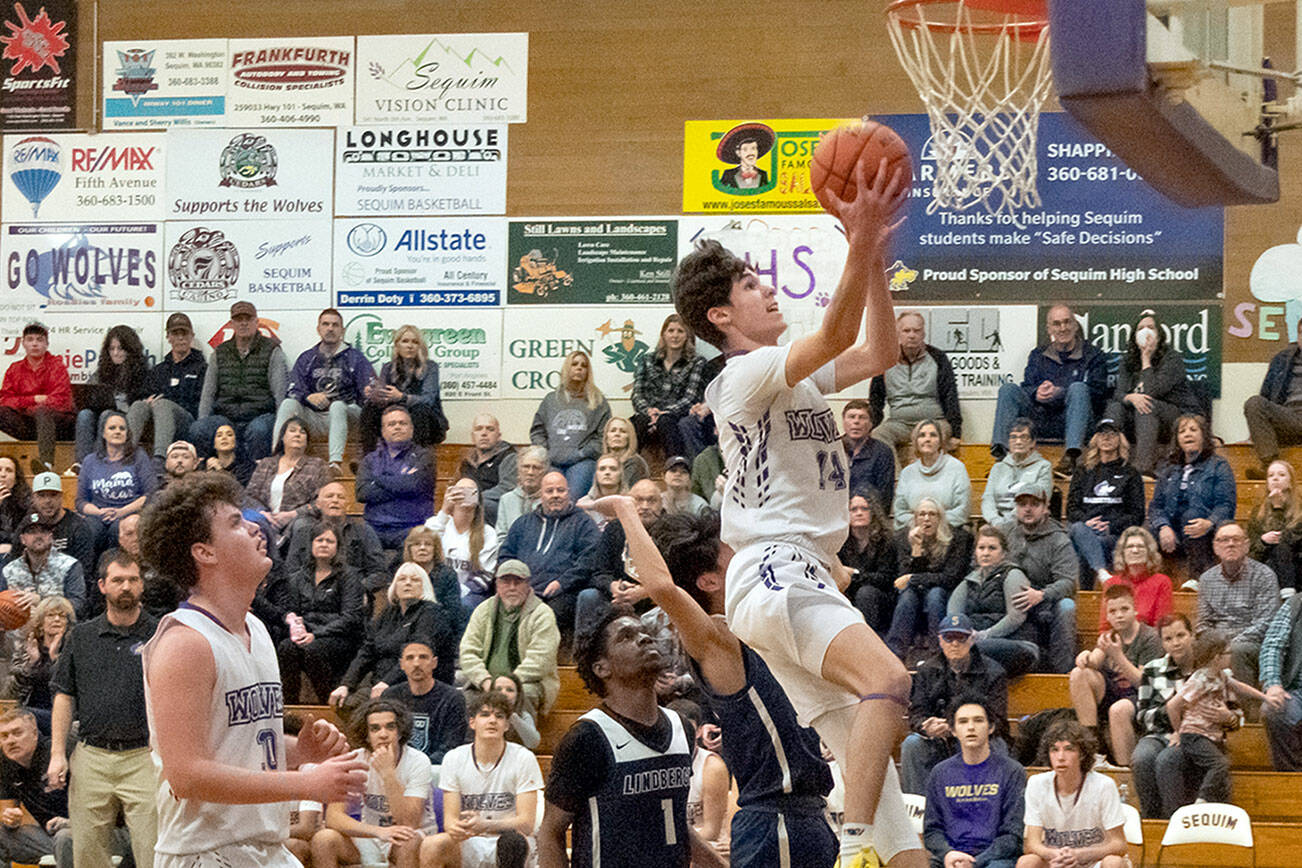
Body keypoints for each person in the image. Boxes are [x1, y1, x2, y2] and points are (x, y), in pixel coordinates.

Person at [672, 155, 922, 867]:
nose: (769, 289)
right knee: (889, 682)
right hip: (775, 569)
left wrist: (872, 256)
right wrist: (861, 240)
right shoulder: (741, 375)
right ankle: (852, 849)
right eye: (752, 284)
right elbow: (841, 334)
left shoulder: (795, 374)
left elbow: (874, 347)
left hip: (791, 579)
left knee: (892, 811)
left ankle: (879, 846)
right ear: (721, 315)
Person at [136, 472, 366, 868]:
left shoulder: (256, 628)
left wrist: (297, 752)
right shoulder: (185, 643)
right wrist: (306, 782)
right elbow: (187, 775)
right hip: (203, 853)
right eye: (236, 523)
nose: (255, 527)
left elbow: (238, 742)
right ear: (204, 552)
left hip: (265, 848)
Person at [593, 499, 838, 868]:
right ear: (709, 581)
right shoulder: (719, 639)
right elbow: (661, 586)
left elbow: (836, 573)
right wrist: (626, 510)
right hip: (777, 819)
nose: (750, 557)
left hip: (803, 820)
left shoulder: (762, 623)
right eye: (735, 555)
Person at [538, 608, 728, 868]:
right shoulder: (588, 737)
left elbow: (675, 825)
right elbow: (551, 833)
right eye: (626, 636)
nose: (644, 639)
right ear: (601, 668)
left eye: (644, 633)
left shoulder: (681, 727)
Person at [46, 551, 157, 868]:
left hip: (144, 756)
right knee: (87, 854)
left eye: (133, 580)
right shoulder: (81, 636)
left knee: (154, 851)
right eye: (118, 580)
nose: (126, 587)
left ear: (142, 586)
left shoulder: (161, 632)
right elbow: (64, 696)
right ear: (102, 586)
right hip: (92, 755)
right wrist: (57, 754)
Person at [419, 691, 543, 868]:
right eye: (485, 714)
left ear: (507, 725)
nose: (492, 720)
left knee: (514, 842)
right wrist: (460, 826)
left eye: (499, 716)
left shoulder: (523, 758)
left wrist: (485, 825)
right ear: (472, 722)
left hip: (509, 840)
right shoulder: (454, 758)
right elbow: (450, 821)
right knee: (432, 845)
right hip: (470, 840)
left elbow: (526, 823)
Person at [310, 699, 432, 868]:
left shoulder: (418, 761)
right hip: (372, 835)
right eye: (375, 729)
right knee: (324, 839)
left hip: (411, 836)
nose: (383, 734)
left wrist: (388, 774)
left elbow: (409, 822)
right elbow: (333, 817)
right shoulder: (356, 758)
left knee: (408, 840)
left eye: (390, 727)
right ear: (366, 735)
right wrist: (377, 831)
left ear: (400, 731)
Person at [1159, 629, 1268, 816]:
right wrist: (1178, 731)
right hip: (1195, 734)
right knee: (1219, 764)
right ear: (1217, 657)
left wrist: (1264, 697)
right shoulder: (1200, 679)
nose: (1231, 656)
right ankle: (1201, 801)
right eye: (1228, 653)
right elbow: (1172, 705)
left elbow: (1239, 688)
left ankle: (1214, 809)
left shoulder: (1221, 676)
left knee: (1220, 767)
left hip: (1212, 735)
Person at [991, 304, 1107, 478]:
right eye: (1057, 324)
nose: (1063, 328)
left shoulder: (1094, 355)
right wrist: (1036, 392)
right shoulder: (1038, 355)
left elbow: (1099, 395)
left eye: (1067, 322)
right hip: (1041, 419)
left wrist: (1061, 392)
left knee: (1078, 388)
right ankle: (1001, 455)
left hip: (1078, 424)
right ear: (1049, 328)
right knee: (1008, 389)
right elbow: (1027, 386)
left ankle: (1071, 457)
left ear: (1076, 325)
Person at [901, 615, 1009, 795]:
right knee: (912, 744)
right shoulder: (926, 671)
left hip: (977, 737)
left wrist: (956, 728)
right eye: (948, 638)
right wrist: (926, 727)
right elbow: (916, 714)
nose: (955, 644)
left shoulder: (994, 672)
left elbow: (999, 721)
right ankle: (920, 809)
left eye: (961, 637)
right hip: (938, 741)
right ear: (940, 641)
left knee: (997, 745)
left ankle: (989, 807)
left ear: (972, 640)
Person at [332, 563, 459, 706]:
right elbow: (367, 651)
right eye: (402, 579)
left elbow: (415, 656)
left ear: (425, 586)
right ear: (394, 586)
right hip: (380, 684)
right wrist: (346, 685)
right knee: (344, 703)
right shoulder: (388, 614)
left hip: (415, 684)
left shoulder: (432, 614)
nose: (408, 583)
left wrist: (386, 683)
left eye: (415, 580)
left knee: (376, 709)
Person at [922, 696, 1025, 868]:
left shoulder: (1011, 771)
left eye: (978, 720)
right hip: (950, 859)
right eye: (963, 722)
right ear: (953, 730)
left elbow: (1012, 835)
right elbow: (932, 831)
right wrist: (948, 854)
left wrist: (975, 862)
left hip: (994, 859)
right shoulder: (940, 773)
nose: (971, 727)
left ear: (990, 727)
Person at [497, 471, 601, 639]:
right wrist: (516, 583)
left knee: (546, 616)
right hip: (522, 589)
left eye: (560, 490)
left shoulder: (583, 523)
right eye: (549, 491)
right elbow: (505, 557)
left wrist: (562, 583)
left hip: (563, 592)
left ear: (569, 492)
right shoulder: (523, 523)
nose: (555, 495)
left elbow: (589, 560)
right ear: (541, 494)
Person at [271, 521, 365, 704]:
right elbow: (294, 611)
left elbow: (351, 617)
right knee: (286, 647)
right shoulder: (298, 577)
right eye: (319, 540)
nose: (323, 544)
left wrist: (316, 634)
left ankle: (327, 703)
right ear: (311, 544)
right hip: (308, 634)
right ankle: (291, 706)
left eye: (329, 541)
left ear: (337, 546)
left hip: (340, 637)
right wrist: (296, 626)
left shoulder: (349, 576)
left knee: (313, 650)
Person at [1111, 613, 1194, 818]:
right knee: (1141, 757)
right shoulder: (1153, 669)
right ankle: (1150, 820)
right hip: (1158, 734)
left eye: (1181, 635)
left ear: (1191, 635)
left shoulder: (1204, 668)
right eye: (1168, 639)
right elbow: (1144, 715)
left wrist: (1182, 726)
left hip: (1196, 735)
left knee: (1167, 760)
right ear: (1162, 643)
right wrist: (1170, 711)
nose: (1176, 643)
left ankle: (1172, 821)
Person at [1015, 720, 1128, 868]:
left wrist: (1081, 855)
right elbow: (1032, 844)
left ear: (1082, 754)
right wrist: (1054, 855)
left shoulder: (1103, 785)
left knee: (1114, 863)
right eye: (1054, 750)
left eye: (1069, 749)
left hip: (1094, 860)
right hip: (1056, 860)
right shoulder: (1036, 783)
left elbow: (1119, 844)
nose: (1061, 757)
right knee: (1027, 862)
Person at [275, 308, 375, 473]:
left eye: (335, 325)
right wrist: (308, 397)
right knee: (288, 404)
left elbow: (368, 392)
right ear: (318, 329)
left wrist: (364, 393)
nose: (330, 328)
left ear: (342, 331)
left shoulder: (356, 358)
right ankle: (277, 456)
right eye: (326, 324)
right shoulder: (307, 358)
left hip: (348, 417)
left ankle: (335, 463)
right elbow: (293, 389)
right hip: (317, 418)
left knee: (337, 406)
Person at [459, 559, 561, 721]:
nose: (512, 587)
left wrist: (509, 684)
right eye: (506, 582)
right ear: (497, 585)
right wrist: (485, 680)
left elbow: (541, 660)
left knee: (522, 695)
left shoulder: (542, 614)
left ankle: (519, 744)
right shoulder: (483, 610)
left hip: (526, 682)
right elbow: (468, 652)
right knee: (462, 698)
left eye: (518, 582)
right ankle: (474, 745)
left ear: (528, 584)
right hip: (487, 683)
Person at [1104, 310, 1200, 477]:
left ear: (1159, 334)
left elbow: (1152, 391)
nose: (1145, 332)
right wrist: (1130, 397)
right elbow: (1118, 393)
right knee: (1115, 407)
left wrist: (1146, 359)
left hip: (1173, 417)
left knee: (1146, 405)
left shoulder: (1172, 359)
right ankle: (1105, 463)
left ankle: (1142, 468)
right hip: (1139, 420)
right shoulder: (1127, 360)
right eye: (1141, 328)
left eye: (1150, 328)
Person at [192, 301, 289, 463]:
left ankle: (256, 479)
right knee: (198, 429)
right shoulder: (220, 352)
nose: (243, 323)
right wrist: (203, 419)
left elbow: (279, 393)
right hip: (225, 416)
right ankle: (208, 474)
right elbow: (208, 394)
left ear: (256, 322)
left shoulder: (272, 349)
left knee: (258, 430)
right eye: (238, 319)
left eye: (248, 318)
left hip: (261, 415)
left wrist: (281, 429)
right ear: (231, 324)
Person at [571, 479, 664, 637]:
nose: (645, 506)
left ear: (661, 503)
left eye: (652, 500)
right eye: (639, 500)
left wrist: (644, 592)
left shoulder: (672, 529)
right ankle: (586, 656)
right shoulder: (614, 529)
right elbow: (599, 573)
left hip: (658, 599)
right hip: (617, 598)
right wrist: (612, 586)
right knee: (588, 596)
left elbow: (679, 579)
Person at [1005, 481, 1079, 674]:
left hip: (1045, 602)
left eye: (1034, 504)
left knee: (1067, 606)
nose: (1028, 509)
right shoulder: (1005, 533)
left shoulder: (1059, 539)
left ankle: (1062, 674)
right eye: (1023, 505)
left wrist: (1041, 594)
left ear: (1045, 508)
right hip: (1010, 598)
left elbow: (1068, 582)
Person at [1147, 413, 1234, 577]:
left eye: (1193, 430)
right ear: (1177, 439)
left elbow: (1226, 505)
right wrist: (1164, 526)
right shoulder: (1168, 468)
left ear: (1203, 435)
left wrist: (1209, 522)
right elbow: (1156, 506)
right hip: (1172, 530)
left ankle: (1197, 577)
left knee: (1192, 515)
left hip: (1204, 530)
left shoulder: (1219, 466)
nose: (1187, 434)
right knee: (1141, 533)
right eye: (1182, 431)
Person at [885, 498, 973, 660]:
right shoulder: (903, 538)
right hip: (915, 593)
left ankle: (938, 653)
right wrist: (916, 548)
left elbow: (949, 578)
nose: (926, 519)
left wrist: (913, 578)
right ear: (915, 519)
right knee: (907, 597)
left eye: (932, 514)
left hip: (945, 592)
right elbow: (901, 581)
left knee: (935, 594)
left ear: (940, 519)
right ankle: (894, 654)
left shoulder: (956, 539)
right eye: (922, 514)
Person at [1068, 584, 1161, 736]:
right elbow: (1093, 661)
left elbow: (1144, 683)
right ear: (1108, 616)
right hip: (1113, 693)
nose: (1119, 615)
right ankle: (1090, 739)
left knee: (1118, 709)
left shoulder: (1150, 637)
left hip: (1140, 697)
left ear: (1135, 610)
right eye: (1113, 611)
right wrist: (1084, 656)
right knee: (1079, 673)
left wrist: (1118, 656)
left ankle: (1124, 761)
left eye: (1124, 609)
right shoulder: (1108, 636)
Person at [1195, 522, 1279, 690]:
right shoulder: (1206, 579)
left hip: (1253, 643)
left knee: (1238, 650)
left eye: (1236, 539)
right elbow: (1203, 623)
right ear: (1215, 547)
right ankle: (1196, 708)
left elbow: (1266, 623)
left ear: (1247, 545)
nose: (1231, 544)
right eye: (1224, 540)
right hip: (1218, 643)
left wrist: (1228, 644)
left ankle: (1245, 712)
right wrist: (1218, 644)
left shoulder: (1264, 576)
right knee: (1186, 645)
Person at [947, 525, 1040, 678]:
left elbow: (1016, 617)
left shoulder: (1013, 574)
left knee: (973, 649)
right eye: (981, 548)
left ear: (1003, 553)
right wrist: (964, 634)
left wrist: (984, 635)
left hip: (1017, 644)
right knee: (959, 649)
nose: (985, 553)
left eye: (992, 548)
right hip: (975, 642)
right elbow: (953, 616)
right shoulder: (969, 580)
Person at [869, 311, 963, 461]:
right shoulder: (885, 359)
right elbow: (876, 399)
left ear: (923, 333)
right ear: (898, 333)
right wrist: (870, 428)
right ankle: (897, 481)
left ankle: (917, 482)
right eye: (906, 331)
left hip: (934, 421)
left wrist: (956, 432)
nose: (912, 335)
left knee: (924, 441)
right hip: (899, 423)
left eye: (916, 330)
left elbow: (950, 395)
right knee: (877, 436)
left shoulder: (938, 358)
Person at [1066, 418, 1146, 588]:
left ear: (1120, 438)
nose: (1106, 438)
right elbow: (1071, 509)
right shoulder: (1083, 471)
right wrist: (1087, 521)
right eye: (1102, 433)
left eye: (1112, 433)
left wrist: (1111, 525)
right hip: (1085, 528)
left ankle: (1087, 592)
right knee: (1080, 530)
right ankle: (1102, 573)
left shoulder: (1130, 473)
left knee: (1090, 545)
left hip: (1113, 534)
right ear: (1095, 438)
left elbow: (1137, 514)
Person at [285, 481, 389, 598]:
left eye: (341, 497)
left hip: (353, 598)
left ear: (348, 505)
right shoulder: (303, 532)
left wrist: (356, 590)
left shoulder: (364, 531)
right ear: (318, 504)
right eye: (329, 496)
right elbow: (291, 571)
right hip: (311, 598)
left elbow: (379, 573)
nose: (335, 500)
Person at [529, 349, 611, 497]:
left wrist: (581, 453)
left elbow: (603, 437)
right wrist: (546, 452)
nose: (579, 368)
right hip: (552, 462)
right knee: (550, 496)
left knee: (571, 498)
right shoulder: (551, 400)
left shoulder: (598, 401)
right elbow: (537, 431)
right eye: (574, 364)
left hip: (583, 462)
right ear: (567, 368)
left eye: (584, 365)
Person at [127, 312, 206, 465]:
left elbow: (199, 403)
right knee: (139, 405)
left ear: (192, 336)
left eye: (184, 333)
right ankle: (123, 455)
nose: (181, 338)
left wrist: (166, 398)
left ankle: (159, 459)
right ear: (168, 337)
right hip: (158, 422)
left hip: (187, 421)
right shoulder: (159, 370)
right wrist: (147, 400)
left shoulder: (202, 368)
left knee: (162, 404)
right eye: (176, 333)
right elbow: (145, 393)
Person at [359, 323, 448, 455]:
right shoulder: (388, 368)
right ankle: (367, 457)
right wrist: (374, 394)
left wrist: (402, 397)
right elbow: (383, 398)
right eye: (405, 341)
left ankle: (417, 458)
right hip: (398, 419)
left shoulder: (430, 367)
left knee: (420, 409)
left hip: (428, 423)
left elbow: (428, 400)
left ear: (420, 346)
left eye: (415, 342)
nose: (410, 346)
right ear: (397, 345)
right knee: (370, 407)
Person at [76, 412, 156, 558]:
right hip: (98, 514)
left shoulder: (139, 456)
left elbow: (150, 494)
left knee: (117, 529)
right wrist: (99, 512)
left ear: (127, 434)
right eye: (112, 428)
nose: (118, 431)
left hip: (129, 512)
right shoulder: (90, 461)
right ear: (103, 434)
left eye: (122, 428)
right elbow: (81, 502)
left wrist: (122, 512)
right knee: (90, 530)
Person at [356, 405, 436, 550]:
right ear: (383, 431)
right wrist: (400, 482)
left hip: (412, 527)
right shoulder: (370, 459)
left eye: (402, 423)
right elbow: (362, 493)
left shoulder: (424, 456)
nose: (397, 427)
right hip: (374, 527)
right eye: (391, 424)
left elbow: (413, 486)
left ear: (411, 429)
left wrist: (378, 479)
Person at [0, 707, 71, 868]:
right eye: (4, 736)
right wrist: (10, 818)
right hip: (48, 837)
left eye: (17, 733)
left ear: (34, 733)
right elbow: (7, 812)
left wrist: (71, 823)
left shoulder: (57, 753)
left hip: (82, 832)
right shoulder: (5, 762)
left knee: (64, 838)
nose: (10, 740)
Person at [631, 313, 709, 459]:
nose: (675, 336)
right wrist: (649, 412)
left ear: (688, 336)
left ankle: (676, 467)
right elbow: (637, 393)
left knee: (666, 422)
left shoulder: (697, 362)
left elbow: (691, 397)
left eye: (680, 331)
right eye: (671, 331)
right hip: (647, 413)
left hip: (676, 416)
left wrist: (664, 413)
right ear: (663, 335)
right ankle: (625, 471)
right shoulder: (647, 360)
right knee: (634, 423)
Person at [0, 323, 74, 474]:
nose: (34, 343)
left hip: (57, 423)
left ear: (46, 344)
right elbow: (5, 399)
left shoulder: (57, 366)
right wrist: (33, 400)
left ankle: (46, 465)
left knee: (43, 411)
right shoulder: (15, 369)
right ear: (23, 343)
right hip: (28, 424)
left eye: (39, 340)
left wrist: (31, 406)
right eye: (30, 339)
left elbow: (60, 400)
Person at [245, 416, 331, 546]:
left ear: (307, 440)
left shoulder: (318, 465)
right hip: (266, 519)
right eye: (292, 430)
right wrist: (263, 514)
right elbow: (249, 496)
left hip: (299, 521)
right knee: (248, 519)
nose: (298, 434)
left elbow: (322, 502)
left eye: (302, 432)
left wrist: (292, 514)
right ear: (282, 437)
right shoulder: (266, 463)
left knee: (301, 525)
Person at [380, 641, 467, 768]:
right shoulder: (390, 696)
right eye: (410, 658)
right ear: (401, 664)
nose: (416, 663)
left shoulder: (453, 698)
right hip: (398, 767)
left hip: (437, 769)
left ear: (434, 662)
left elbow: (451, 747)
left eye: (423, 657)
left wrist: (418, 767)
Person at [74, 325, 150, 468]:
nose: (115, 353)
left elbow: (140, 401)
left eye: (120, 348)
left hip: (124, 417)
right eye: (112, 349)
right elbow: (88, 392)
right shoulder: (103, 370)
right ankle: (81, 464)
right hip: (100, 412)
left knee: (107, 415)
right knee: (85, 414)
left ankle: (99, 463)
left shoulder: (142, 372)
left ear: (130, 349)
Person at [425, 477, 499, 612]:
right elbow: (424, 548)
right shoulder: (436, 523)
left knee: (463, 605)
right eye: (459, 491)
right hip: (435, 587)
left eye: (471, 491)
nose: (465, 494)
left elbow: (484, 577)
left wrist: (454, 593)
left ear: (478, 500)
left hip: (470, 593)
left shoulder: (488, 534)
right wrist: (444, 511)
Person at [1243, 315, 1302, 479]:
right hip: (1289, 418)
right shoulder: (1282, 360)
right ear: (1298, 337)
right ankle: (1271, 468)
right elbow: (1266, 396)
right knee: (1254, 403)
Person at [0, 514, 85, 616]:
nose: (38, 536)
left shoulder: (69, 565)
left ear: (50, 537)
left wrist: (42, 602)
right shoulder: (9, 570)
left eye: (43, 531)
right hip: (18, 630)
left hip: (57, 629)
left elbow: (78, 604)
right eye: (32, 532)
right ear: (23, 539)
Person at [893, 419, 971, 530]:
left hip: (948, 530)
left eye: (933, 435)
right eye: (922, 435)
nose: (927, 439)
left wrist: (933, 525)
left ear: (940, 442)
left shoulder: (957, 468)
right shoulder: (907, 472)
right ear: (916, 441)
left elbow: (963, 510)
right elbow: (900, 511)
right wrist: (921, 525)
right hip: (914, 530)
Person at [10, 595, 74, 726]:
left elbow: (71, 688)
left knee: (23, 717)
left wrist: (55, 658)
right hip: (28, 711)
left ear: (68, 623)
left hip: (62, 715)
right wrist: (30, 665)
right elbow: (10, 693)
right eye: (50, 615)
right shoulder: (27, 648)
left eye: (62, 616)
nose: (57, 619)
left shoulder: (75, 650)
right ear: (40, 622)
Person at [841, 491, 900, 634]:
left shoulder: (886, 540)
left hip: (881, 599)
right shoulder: (841, 541)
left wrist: (854, 574)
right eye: (853, 509)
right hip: (852, 594)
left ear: (873, 512)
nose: (859, 513)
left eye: (864, 509)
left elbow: (885, 579)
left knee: (866, 593)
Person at [981, 417, 1052, 535]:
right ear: (1008, 441)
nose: (1018, 442)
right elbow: (988, 499)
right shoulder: (998, 468)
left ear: (1032, 442)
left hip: (1028, 522)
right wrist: (995, 520)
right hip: (997, 523)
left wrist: (1008, 523)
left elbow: (1040, 499)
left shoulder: (1043, 467)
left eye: (1023, 437)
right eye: (1014, 437)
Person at [1258, 590, 1302, 770]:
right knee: (1274, 709)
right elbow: (1272, 645)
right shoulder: (1295, 605)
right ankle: (1292, 780)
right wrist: (1273, 684)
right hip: (1298, 693)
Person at [1097, 527, 1173, 630]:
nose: (1135, 550)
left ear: (1149, 552)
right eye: (1129, 547)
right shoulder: (1112, 583)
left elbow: (1161, 625)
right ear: (1122, 553)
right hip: (1117, 641)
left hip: (1149, 642)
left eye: (1140, 546)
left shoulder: (1162, 582)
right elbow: (1105, 626)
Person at [21, 472, 93, 577]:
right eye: (41, 495)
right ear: (33, 498)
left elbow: (84, 571)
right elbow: (14, 561)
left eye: (53, 495)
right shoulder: (27, 524)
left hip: (67, 585)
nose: (48, 501)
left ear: (61, 497)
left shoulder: (78, 526)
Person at [1246, 459, 1302, 593]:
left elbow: (1286, 540)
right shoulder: (1257, 512)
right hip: (1267, 565)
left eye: (1281, 475)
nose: (1275, 478)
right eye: (1271, 476)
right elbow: (1252, 548)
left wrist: (1277, 508)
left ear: (1290, 481)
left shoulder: (1300, 508)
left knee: (1279, 547)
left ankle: (1287, 590)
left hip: (1297, 566)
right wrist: (1263, 541)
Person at [458, 413, 517, 527]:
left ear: (498, 436)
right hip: (470, 507)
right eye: (479, 429)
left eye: (490, 429)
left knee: (485, 506)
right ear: (472, 436)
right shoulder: (467, 461)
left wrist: (475, 499)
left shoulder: (509, 456)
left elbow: (506, 488)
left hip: (497, 510)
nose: (484, 433)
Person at [398, 526, 466, 624]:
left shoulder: (447, 575)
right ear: (410, 549)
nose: (422, 548)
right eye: (417, 544)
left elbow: (453, 613)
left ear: (435, 549)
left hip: (438, 627)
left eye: (428, 544)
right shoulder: (402, 572)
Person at [842, 399, 895, 509]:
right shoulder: (833, 450)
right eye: (852, 417)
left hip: (870, 516)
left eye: (862, 417)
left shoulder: (882, 452)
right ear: (843, 421)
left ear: (871, 424)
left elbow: (885, 496)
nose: (856, 422)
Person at [495, 446, 548, 537]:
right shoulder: (506, 500)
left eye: (536, 467)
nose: (530, 472)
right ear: (519, 470)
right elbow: (501, 536)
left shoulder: (549, 500)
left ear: (545, 472)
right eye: (526, 467)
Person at [491, 673, 541, 750]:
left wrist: (513, 718)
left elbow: (533, 743)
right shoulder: (481, 715)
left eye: (510, 690)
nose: (503, 693)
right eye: (498, 689)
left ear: (517, 696)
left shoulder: (523, 716)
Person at [576, 453, 628, 527]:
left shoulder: (629, 503)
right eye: (602, 469)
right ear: (596, 475)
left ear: (620, 475)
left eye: (613, 469)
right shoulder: (582, 505)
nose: (607, 472)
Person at [602, 416, 650, 488]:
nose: (617, 434)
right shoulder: (603, 462)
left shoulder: (636, 462)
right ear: (606, 438)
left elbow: (623, 492)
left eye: (623, 431)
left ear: (629, 438)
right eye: (613, 430)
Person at [203, 422, 254, 486]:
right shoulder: (205, 465)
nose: (224, 438)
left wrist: (220, 470)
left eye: (229, 435)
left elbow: (237, 489)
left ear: (236, 441)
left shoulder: (247, 467)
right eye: (219, 435)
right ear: (214, 444)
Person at [0, 456, 31, 558]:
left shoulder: (27, 500)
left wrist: (13, 547)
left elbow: (30, 532)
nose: (3, 474)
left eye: (8, 470)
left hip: (18, 553)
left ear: (16, 479)